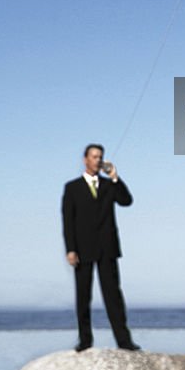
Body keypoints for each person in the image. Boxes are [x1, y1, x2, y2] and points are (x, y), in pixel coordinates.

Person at [61, 143, 141, 351]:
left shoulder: (108, 186)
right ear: (85, 159)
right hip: (82, 249)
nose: (98, 160)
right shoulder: (72, 188)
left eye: (100, 157)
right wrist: (70, 249)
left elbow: (126, 201)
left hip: (108, 248)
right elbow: (68, 221)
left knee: (113, 296)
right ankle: (85, 341)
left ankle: (124, 341)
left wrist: (115, 177)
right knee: (83, 296)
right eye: (94, 157)